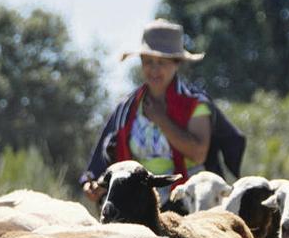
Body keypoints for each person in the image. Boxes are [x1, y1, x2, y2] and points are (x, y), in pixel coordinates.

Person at [80, 18, 245, 205]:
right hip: (141, 199)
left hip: (189, 200)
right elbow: (104, 156)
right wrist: (93, 182)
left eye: (162, 62)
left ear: (176, 64)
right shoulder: (128, 107)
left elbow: (198, 153)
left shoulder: (195, 103)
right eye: (148, 61)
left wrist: (162, 120)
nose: (154, 69)